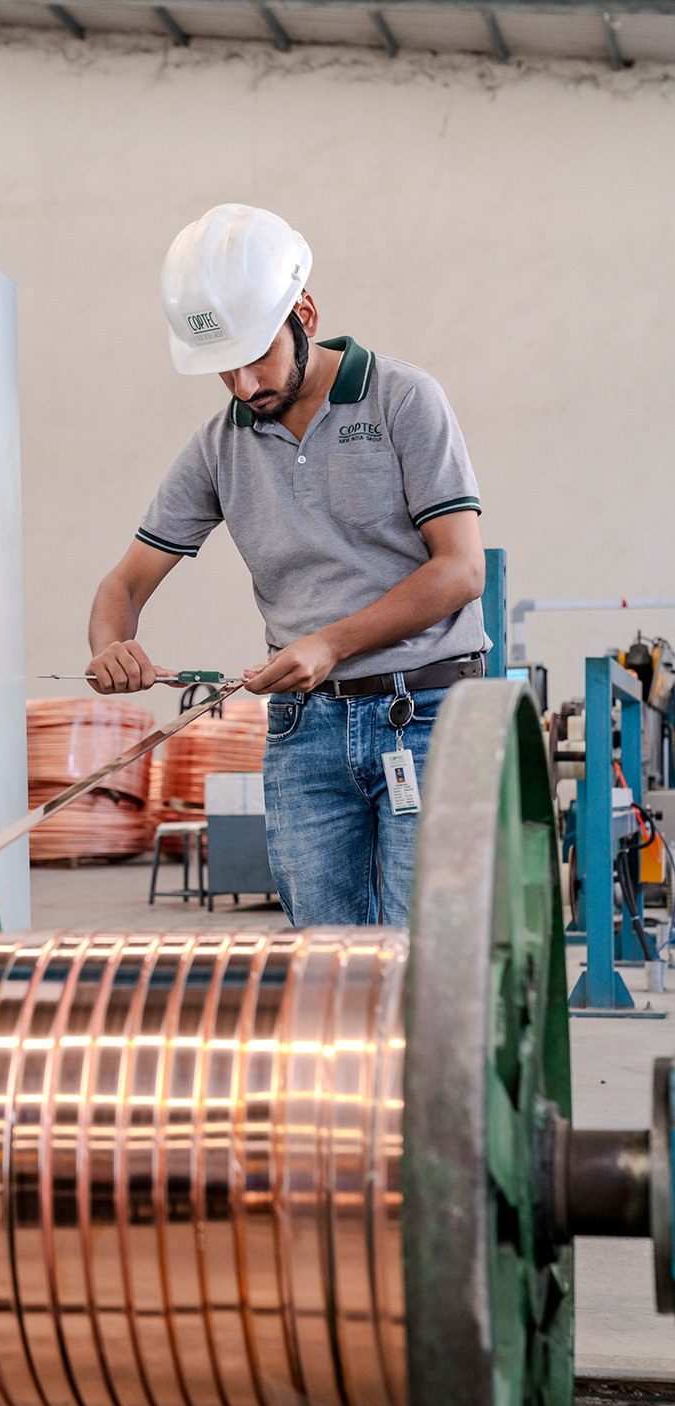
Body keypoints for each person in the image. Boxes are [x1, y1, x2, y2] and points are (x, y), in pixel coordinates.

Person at [86, 203, 487, 927]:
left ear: (303, 312)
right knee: (324, 966)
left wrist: (330, 643)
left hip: (427, 716)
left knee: (424, 955)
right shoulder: (219, 446)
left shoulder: (403, 399)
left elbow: (460, 570)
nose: (244, 386)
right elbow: (125, 581)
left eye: (256, 356)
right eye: (223, 368)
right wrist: (111, 644)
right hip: (306, 732)